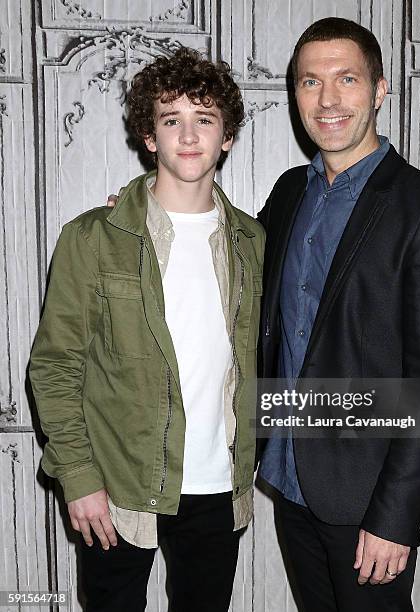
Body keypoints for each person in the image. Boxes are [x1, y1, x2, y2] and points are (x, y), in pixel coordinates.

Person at [29, 47, 264, 612]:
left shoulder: (252, 242)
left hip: (218, 486)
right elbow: (56, 365)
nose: (188, 135)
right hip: (118, 484)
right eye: (171, 119)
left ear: (227, 136)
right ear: (148, 136)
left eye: (204, 119)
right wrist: (79, 477)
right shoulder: (92, 237)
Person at [256, 17, 420, 612]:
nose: (327, 100)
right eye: (309, 82)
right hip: (289, 476)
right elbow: (232, 270)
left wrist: (396, 517)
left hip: (366, 500)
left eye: (346, 79)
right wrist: (146, 208)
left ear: (378, 90)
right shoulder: (287, 195)